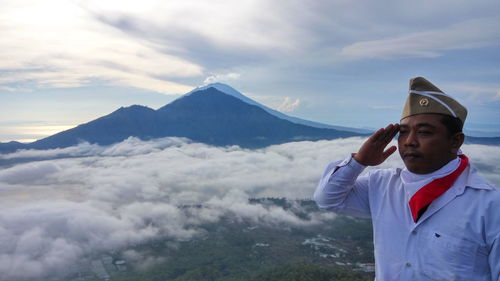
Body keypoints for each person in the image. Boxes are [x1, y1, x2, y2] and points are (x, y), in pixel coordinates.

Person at [313, 77, 500, 281]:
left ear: (455, 141)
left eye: (424, 132)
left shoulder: (489, 206)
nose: (410, 142)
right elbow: (328, 199)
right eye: (403, 133)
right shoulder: (381, 185)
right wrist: (359, 161)